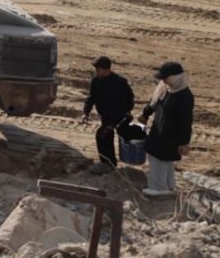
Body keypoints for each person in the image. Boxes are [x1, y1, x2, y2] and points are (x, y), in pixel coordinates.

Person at [140, 61, 194, 197]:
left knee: (161, 159)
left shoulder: (185, 96)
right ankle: (169, 186)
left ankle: (158, 189)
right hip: (158, 130)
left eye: (166, 77)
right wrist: (145, 114)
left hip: (171, 135)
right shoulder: (165, 88)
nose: (163, 80)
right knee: (161, 160)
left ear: (176, 77)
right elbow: (154, 102)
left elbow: (186, 121)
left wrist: (184, 143)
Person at [80, 56, 134, 173]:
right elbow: (91, 98)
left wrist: (127, 111)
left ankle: (106, 163)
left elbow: (130, 98)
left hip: (117, 116)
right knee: (107, 136)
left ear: (105, 69)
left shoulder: (120, 82)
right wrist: (85, 112)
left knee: (102, 134)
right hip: (105, 116)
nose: (96, 71)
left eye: (98, 68)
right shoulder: (96, 81)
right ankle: (110, 163)